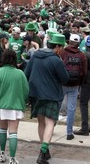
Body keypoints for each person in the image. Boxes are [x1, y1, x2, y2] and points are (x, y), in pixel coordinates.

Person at [25, 34, 69, 164]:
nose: (62, 50)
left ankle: (45, 148)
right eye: (61, 47)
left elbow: (26, 74)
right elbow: (65, 78)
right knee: (50, 123)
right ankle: (43, 152)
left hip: (36, 94)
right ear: (56, 47)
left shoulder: (35, 56)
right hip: (51, 95)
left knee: (41, 123)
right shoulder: (56, 60)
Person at [0, 49, 29, 164]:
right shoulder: (20, 74)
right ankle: (12, 158)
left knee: (2, 130)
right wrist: (24, 102)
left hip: (1, 107)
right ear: (15, 59)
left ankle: (2, 154)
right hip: (15, 106)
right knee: (13, 132)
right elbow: (26, 91)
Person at [60, 34, 87, 140]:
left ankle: (50, 128)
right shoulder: (82, 55)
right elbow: (84, 71)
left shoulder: (63, 52)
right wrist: (80, 83)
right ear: (78, 43)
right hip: (75, 85)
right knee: (71, 109)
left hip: (62, 83)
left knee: (56, 106)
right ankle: (69, 132)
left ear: (69, 41)